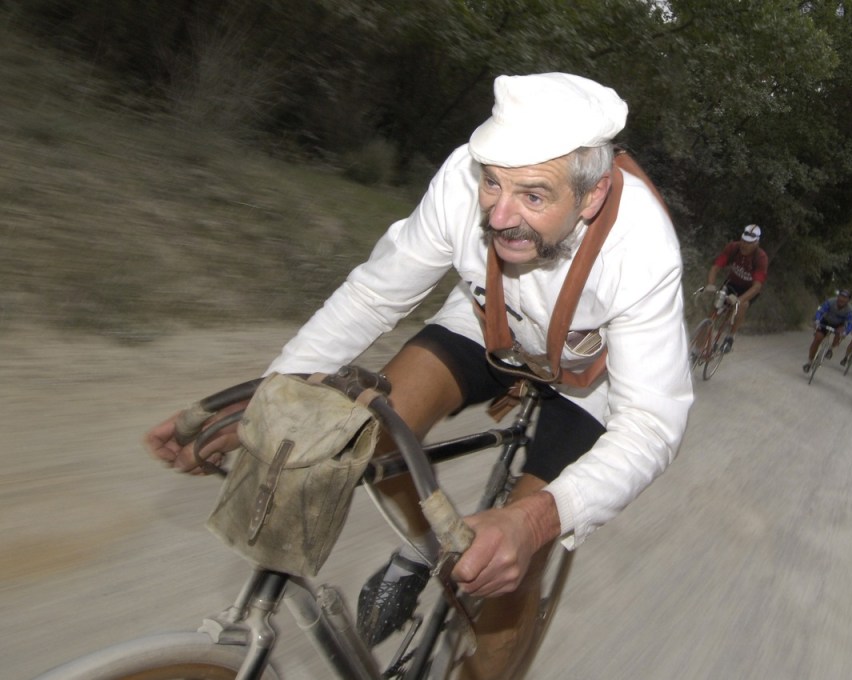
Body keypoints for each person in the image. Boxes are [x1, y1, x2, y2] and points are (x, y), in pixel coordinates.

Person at [143, 72, 692, 679]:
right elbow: (376, 294)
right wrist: (270, 398)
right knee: (358, 435)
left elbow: (651, 423)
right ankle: (435, 547)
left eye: (534, 196)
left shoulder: (642, 248)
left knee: (509, 587)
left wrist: (532, 521)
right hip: (486, 326)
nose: (501, 215)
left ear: (589, 197)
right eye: (492, 184)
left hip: (587, 387)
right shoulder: (464, 179)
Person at [705, 223, 768, 353]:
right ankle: (697, 349)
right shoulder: (733, 248)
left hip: (749, 289)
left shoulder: (760, 258)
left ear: (756, 243)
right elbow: (716, 267)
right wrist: (710, 284)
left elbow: (757, 287)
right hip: (732, 283)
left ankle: (730, 337)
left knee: (742, 306)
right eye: (743, 241)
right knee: (712, 314)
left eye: (749, 243)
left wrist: (739, 300)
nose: (744, 245)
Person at [803, 289, 852, 373]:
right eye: (841, 296)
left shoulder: (850, 310)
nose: (842, 299)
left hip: (838, 325)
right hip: (825, 321)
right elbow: (821, 311)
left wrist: (846, 332)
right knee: (817, 339)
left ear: (848, 300)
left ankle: (831, 349)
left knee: (840, 334)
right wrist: (817, 320)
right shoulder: (830, 302)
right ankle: (809, 362)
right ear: (838, 296)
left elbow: (850, 323)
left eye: (845, 298)